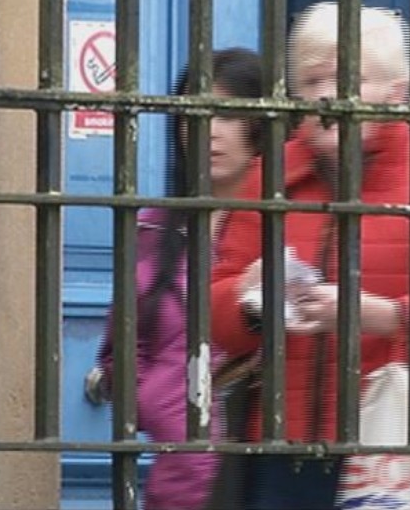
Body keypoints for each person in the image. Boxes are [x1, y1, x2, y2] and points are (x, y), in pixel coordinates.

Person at [209, 2, 410, 510]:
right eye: (312, 81)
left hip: (402, 448)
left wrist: (385, 316)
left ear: (396, 93)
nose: (326, 95)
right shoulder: (270, 178)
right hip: (281, 455)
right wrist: (251, 303)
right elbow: (212, 313)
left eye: (348, 80)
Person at [89, 47, 263, 510]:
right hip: (181, 482)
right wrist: (160, 402)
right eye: (193, 115)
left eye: (228, 114)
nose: (209, 130)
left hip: (269, 472)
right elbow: (120, 349)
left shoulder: (294, 225)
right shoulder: (155, 227)